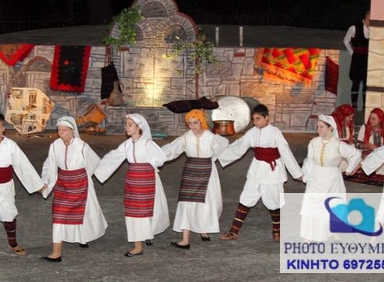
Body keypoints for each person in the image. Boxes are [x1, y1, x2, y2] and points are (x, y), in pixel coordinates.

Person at [217, 104, 302, 243]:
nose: (255, 122)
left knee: (274, 201)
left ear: (267, 118)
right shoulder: (252, 132)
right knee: (246, 197)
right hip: (256, 170)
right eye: (253, 119)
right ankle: (234, 231)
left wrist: (297, 173)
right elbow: (239, 146)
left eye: (258, 119)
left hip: (273, 172)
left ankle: (277, 231)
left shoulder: (275, 132)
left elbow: (285, 152)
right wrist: (218, 153)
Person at [94, 114, 169, 257]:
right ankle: (138, 244)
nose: (126, 127)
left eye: (130, 124)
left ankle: (144, 237)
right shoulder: (128, 144)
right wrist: (96, 168)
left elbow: (160, 158)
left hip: (146, 180)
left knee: (147, 210)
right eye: (126, 124)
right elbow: (114, 156)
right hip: (133, 180)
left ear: (138, 127)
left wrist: (149, 165)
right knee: (133, 212)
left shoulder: (147, 143)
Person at [0, 113, 44, 263]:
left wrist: (37, 185)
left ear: (4, 128)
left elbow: (22, 165)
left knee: (9, 216)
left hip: (5, 187)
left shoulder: (11, 145)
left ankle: (13, 244)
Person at [39, 116, 107, 261]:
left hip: (80, 184)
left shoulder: (82, 146)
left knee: (82, 213)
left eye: (64, 130)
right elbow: (50, 165)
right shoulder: (55, 145)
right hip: (63, 184)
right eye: (59, 130)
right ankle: (56, 253)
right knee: (59, 215)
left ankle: (82, 238)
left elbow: (95, 162)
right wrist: (45, 183)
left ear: (72, 130)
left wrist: (85, 177)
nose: (61, 133)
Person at [162, 109, 228, 248]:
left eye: (195, 123)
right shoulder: (186, 138)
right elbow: (171, 149)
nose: (192, 126)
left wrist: (212, 159)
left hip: (207, 172)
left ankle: (203, 229)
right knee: (186, 203)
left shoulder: (211, 137)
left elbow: (222, 148)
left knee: (207, 202)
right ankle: (185, 239)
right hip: (191, 171)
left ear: (202, 122)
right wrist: (154, 155)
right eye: (190, 123)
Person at [300, 115, 362, 242]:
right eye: (318, 127)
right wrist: (306, 175)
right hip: (316, 177)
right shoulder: (313, 142)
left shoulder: (338, 144)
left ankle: (334, 231)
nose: (318, 129)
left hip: (332, 179)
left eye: (321, 127)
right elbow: (309, 161)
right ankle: (308, 235)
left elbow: (356, 154)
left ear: (330, 128)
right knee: (312, 204)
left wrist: (349, 169)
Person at [343, 9, 370, 111]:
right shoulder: (355, 27)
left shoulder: (373, 28)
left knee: (366, 82)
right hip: (357, 58)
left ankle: (364, 107)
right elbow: (346, 41)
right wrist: (352, 53)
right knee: (356, 82)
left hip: (367, 59)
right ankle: (354, 106)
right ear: (367, 15)